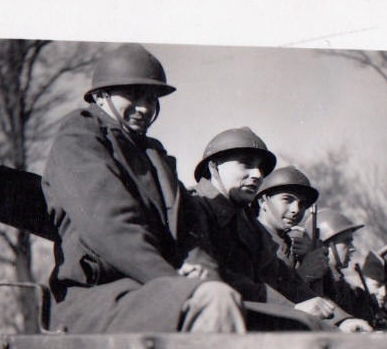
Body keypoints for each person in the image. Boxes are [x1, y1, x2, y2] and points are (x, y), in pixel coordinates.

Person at [42, 43, 245, 334]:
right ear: (101, 96)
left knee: (281, 322)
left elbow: (191, 229)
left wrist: (203, 270)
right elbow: (111, 226)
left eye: (152, 98)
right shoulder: (79, 138)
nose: (145, 108)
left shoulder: (154, 155)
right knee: (215, 302)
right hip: (97, 297)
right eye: (134, 95)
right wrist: (174, 282)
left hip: (152, 292)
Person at [191, 129, 369, 332]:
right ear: (214, 166)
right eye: (246, 164)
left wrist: (341, 320)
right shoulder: (193, 207)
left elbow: (282, 278)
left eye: (260, 168)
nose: (258, 175)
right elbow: (216, 277)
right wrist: (291, 308)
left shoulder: (246, 223)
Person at [302, 208, 387, 329]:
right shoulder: (316, 280)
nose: (353, 248)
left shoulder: (341, 283)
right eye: (346, 241)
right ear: (324, 244)